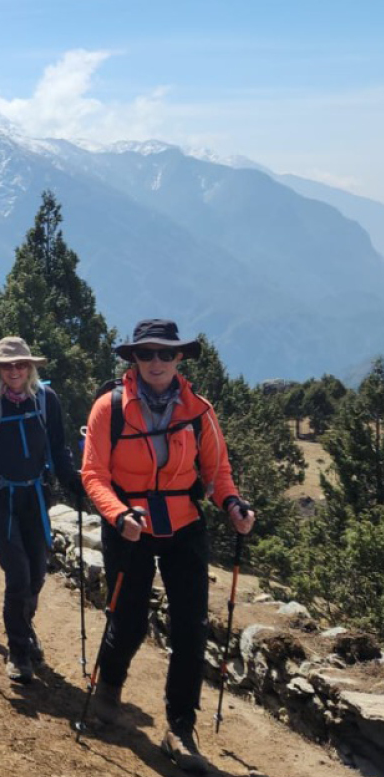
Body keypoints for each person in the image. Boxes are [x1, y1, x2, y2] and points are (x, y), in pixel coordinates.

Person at [81, 320, 255, 774]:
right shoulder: (109, 408)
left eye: (165, 354)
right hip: (130, 526)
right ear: (133, 360)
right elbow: (93, 473)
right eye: (146, 354)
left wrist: (232, 503)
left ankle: (180, 727)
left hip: (184, 526)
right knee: (130, 619)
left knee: (191, 629)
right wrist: (119, 515)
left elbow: (218, 472)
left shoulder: (200, 412)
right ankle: (110, 686)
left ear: (180, 358)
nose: (155, 362)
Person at [0, 337, 81, 684]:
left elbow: (58, 446)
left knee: (38, 573)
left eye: (21, 364)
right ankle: (19, 652)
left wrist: (73, 480)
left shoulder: (46, 399)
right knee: (19, 575)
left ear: (31, 367)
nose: (15, 371)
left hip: (35, 497)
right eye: (7, 366)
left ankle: (24, 629)